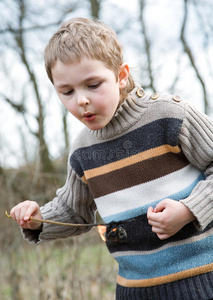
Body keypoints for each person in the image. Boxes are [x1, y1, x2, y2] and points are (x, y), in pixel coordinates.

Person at [10, 17, 213, 300]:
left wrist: (189, 210)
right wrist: (38, 220)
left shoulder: (170, 117)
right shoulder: (82, 151)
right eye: (67, 91)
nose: (80, 100)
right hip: (133, 291)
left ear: (121, 76)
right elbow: (73, 211)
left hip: (202, 280)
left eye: (93, 85)